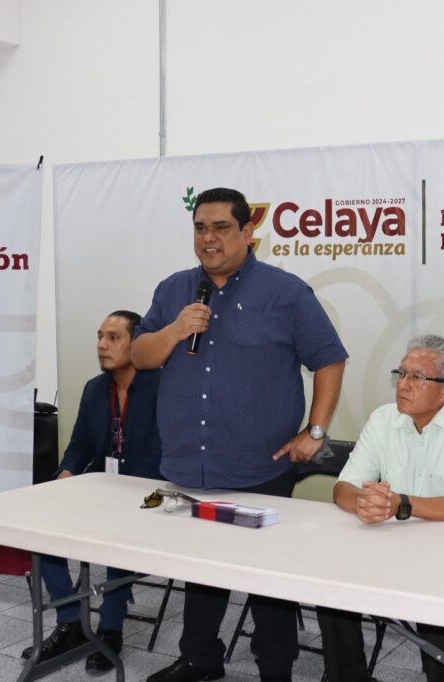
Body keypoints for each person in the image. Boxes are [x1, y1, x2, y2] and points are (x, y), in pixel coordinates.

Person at [132, 187, 348, 682]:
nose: (208, 238)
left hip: (259, 467)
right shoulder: (173, 290)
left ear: (248, 232)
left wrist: (315, 431)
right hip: (190, 464)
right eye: (200, 228)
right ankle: (200, 660)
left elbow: (329, 359)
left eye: (221, 227)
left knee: (266, 579)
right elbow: (141, 356)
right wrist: (175, 329)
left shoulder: (285, 292)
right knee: (200, 570)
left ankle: (275, 670)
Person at [316, 335, 444, 682]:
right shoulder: (383, 419)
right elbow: (343, 487)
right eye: (401, 374)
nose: (403, 384)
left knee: (437, 597)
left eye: (417, 377)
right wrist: (364, 502)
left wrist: (401, 504)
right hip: (395, 545)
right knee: (331, 582)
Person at [20, 310, 162, 674]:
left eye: (113, 337)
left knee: (119, 532)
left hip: (152, 492)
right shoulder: (94, 389)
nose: (102, 345)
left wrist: (119, 494)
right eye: (100, 336)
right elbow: (80, 445)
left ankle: (110, 629)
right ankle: (70, 621)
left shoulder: (162, 387)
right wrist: (67, 473)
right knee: (41, 530)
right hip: (103, 486)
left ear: (138, 343)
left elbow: (163, 454)